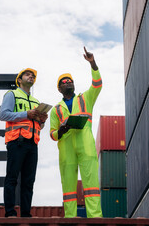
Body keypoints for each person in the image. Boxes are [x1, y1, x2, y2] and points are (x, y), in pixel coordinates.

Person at [49, 47, 103, 218]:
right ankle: (70, 218)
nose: (67, 83)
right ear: (59, 89)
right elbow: (52, 134)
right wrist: (61, 130)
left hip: (86, 146)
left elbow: (97, 84)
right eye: (63, 82)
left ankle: (95, 217)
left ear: (74, 84)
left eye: (70, 81)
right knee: (69, 187)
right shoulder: (56, 110)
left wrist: (92, 63)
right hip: (66, 150)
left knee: (91, 184)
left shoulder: (86, 98)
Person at [0, 68, 48, 217]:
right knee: (12, 178)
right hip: (17, 141)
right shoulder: (12, 94)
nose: (31, 77)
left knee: (29, 181)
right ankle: (10, 212)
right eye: (28, 75)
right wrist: (26, 114)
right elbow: (3, 114)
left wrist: (42, 121)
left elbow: (38, 125)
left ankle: (26, 213)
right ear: (19, 80)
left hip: (32, 144)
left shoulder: (36, 102)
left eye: (33, 76)